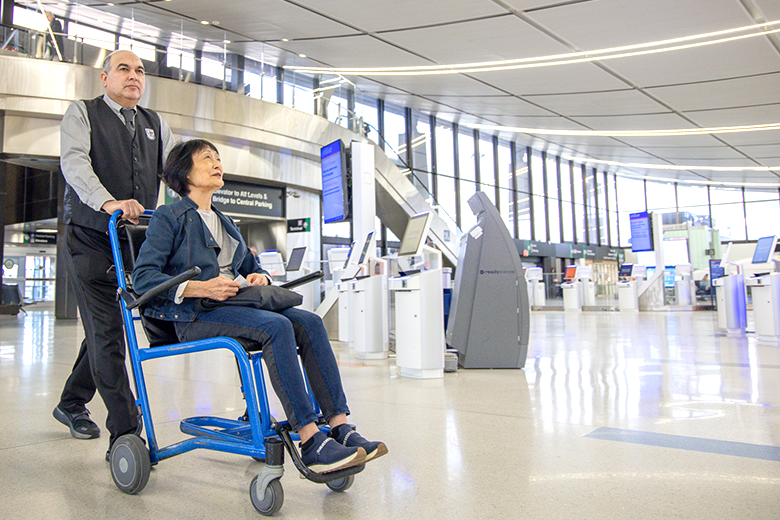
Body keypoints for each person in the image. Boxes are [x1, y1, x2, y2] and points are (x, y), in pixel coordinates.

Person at [131, 139, 387, 474]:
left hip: (233, 305)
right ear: (185, 172)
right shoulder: (170, 216)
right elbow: (143, 278)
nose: (216, 162)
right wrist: (200, 286)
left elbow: (251, 266)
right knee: (277, 326)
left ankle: (339, 427)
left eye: (218, 157)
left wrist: (259, 276)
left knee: (310, 322)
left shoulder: (224, 221)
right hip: (194, 315)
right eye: (207, 157)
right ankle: (310, 440)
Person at [53, 50, 175, 460]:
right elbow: (74, 163)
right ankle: (126, 433)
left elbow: (176, 175)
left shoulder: (155, 123)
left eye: (140, 71)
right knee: (109, 331)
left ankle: (71, 402)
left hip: (134, 242)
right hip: (89, 235)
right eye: (123, 69)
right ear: (104, 78)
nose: (134, 76)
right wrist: (107, 202)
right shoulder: (83, 113)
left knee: (105, 327)